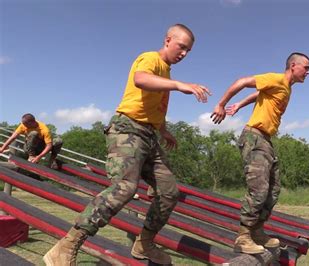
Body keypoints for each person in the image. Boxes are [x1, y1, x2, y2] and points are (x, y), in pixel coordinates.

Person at [43, 24, 211, 266]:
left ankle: (145, 244)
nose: (184, 54)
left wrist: (164, 131)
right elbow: (140, 79)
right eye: (181, 47)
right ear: (167, 40)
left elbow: (153, 108)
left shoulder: (166, 73)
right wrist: (179, 85)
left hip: (150, 136)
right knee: (125, 187)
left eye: (188, 51)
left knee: (169, 192)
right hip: (128, 129)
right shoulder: (150, 58)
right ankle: (67, 245)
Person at [211, 52, 309, 254]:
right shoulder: (276, 78)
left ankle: (257, 231)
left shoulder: (286, 88)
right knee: (259, 188)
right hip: (254, 137)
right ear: (293, 65)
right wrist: (221, 104)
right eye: (306, 67)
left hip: (265, 140)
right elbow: (242, 82)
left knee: (273, 189)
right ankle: (243, 236)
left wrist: (239, 104)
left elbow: (258, 94)